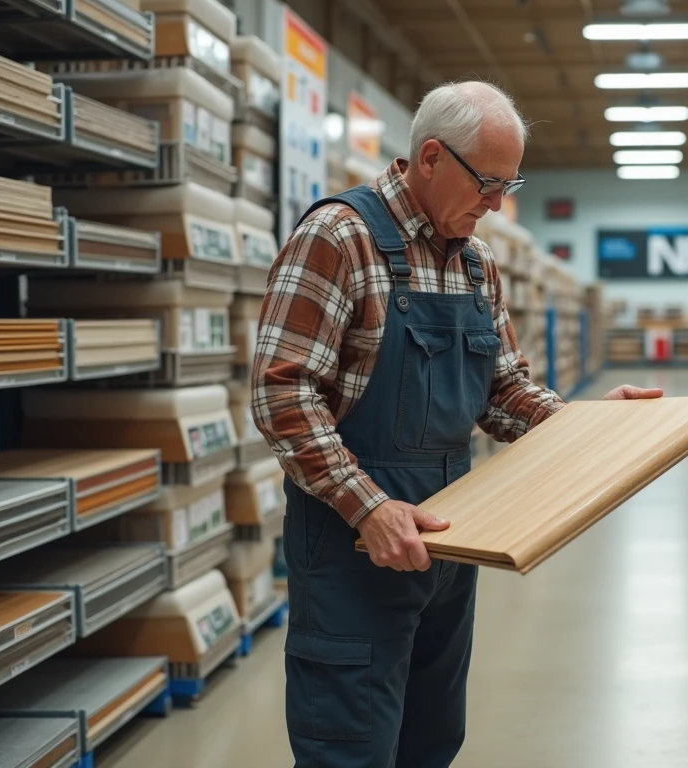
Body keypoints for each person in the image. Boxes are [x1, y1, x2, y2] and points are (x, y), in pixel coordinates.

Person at [251, 80, 662, 768]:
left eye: (510, 183)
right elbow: (282, 395)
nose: (498, 204)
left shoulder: (476, 264)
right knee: (350, 752)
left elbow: (502, 392)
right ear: (431, 158)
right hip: (355, 547)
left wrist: (588, 427)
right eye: (489, 182)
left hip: (449, 547)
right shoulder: (338, 237)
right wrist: (371, 509)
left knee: (431, 743)